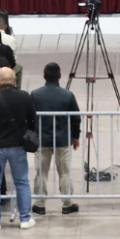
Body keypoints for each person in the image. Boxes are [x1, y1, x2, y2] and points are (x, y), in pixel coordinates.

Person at [0, 67, 37, 229]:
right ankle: (25, 218)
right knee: (22, 182)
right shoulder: (24, 97)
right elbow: (33, 120)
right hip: (18, 145)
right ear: (15, 81)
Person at [29, 63, 81, 216]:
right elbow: (76, 118)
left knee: (41, 173)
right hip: (62, 140)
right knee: (64, 172)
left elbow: (30, 117)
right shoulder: (68, 95)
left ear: (44, 76)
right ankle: (67, 203)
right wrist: (76, 136)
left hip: (42, 140)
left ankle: (39, 204)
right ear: (59, 76)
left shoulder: (35, 94)